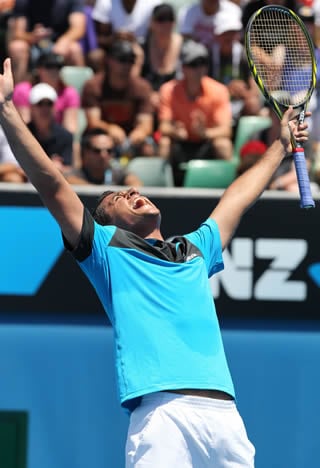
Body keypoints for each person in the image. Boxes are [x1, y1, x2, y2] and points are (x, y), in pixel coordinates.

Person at [0, 57, 310, 467]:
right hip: (163, 416)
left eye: (131, 190)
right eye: (117, 199)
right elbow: (52, 184)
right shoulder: (106, 249)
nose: (131, 192)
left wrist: (279, 146)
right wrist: (6, 113)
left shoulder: (197, 248)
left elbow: (236, 198)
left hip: (224, 419)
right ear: (107, 222)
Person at [158, 39, 233, 186]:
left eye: (202, 63)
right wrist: (176, 131)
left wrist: (204, 133)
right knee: (164, 142)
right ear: (183, 68)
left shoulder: (219, 90)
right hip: (180, 143)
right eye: (193, 64)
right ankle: (161, 188)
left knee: (224, 145)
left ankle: (229, 189)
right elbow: (163, 127)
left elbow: (226, 130)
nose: (199, 69)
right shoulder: (168, 90)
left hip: (206, 143)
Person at [82, 39, 154, 158]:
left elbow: (146, 124)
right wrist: (109, 128)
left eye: (130, 61)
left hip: (130, 141)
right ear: (109, 60)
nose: (126, 66)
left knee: (148, 149)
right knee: (98, 148)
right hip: (102, 138)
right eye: (122, 60)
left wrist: (139, 133)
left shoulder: (142, 87)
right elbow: (93, 122)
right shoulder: (94, 86)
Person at [7, 0, 86, 83]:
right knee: (17, 47)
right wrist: (32, 37)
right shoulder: (24, 1)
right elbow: (18, 33)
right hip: (32, 44)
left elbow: (78, 28)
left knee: (75, 49)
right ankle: (18, 91)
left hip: (60, 43)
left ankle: (76, 93)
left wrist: (64, 41)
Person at [12, 51, 80, 135]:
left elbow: (70, 129)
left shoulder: (69, 93)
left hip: (58, 141)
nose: (54, 71)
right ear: (38, 69)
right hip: (30, 139)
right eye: (49, 67)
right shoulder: (23, 90)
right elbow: (24, 125)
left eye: (58, 67)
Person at [64, 127, 142, 186]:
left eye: (109, 151)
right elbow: (69, 179)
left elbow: (134, 182)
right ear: (85, 153)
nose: (104, 155)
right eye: (97, 151)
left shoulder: (117, 172)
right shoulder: (76, 174)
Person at [27, 82, 74, 172]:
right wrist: (50, 166)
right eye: (40, 104)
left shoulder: (65, 136)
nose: (45, 108)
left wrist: (60, 168)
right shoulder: (21, 133)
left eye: (49, 104)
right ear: (31, 108)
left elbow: (69, 168)